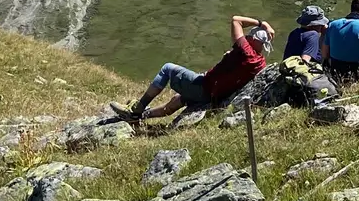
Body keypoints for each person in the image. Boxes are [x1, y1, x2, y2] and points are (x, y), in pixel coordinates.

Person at [111, 14, 274, 123]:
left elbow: (236, 20)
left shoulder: (246, 51)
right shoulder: (259, 62)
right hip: (215, 95)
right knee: (177, 100)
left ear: (252, 39)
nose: (244, 38)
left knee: (167, 68)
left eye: (247, 37)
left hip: (205, 88)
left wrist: (261, 23)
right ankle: (142, 117)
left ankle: (136, 109)